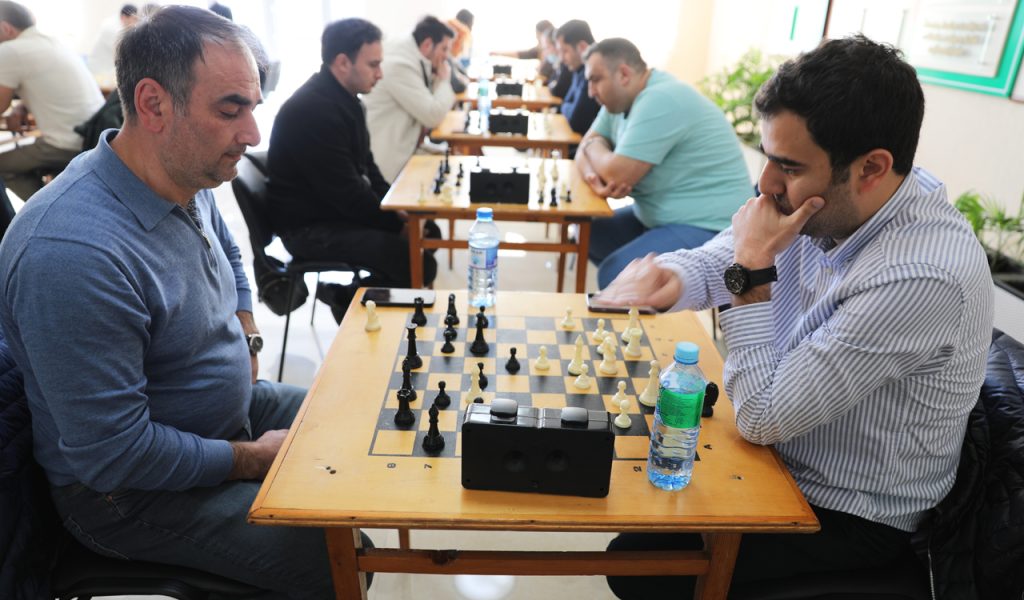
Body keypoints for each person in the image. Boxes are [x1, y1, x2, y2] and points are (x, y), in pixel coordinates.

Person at [595, 35, 993, 599]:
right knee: (628, 481)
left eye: (787, 166)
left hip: (850, 508)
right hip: (782, 448)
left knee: (642, 566)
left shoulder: (920, 276)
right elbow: (727, 252)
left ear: (872, 167)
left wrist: (751, 273)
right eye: (767, 156)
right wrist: (672, 277)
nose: (766, 184)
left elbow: (760, 417)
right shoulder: (838, 202)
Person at [0, 7, 372, 597]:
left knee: (364, 424)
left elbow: (229, 250)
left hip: (224, 415)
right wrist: (252, 458)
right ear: (153, 104)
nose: (252, 134)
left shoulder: (179, 172)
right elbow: (116, 456)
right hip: (129, 494)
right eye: (230, 109)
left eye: (253, 107)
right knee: (341, 552)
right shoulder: (71, 254)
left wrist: (248, 333)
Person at [267, 18, 437, 322]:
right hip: (307, 229)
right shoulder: (314, 110)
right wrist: (395, 223)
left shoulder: (346, 101)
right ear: (343, 62)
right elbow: (346, 194)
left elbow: (368, 168)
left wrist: (396, 206)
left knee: (427, 233)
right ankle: (349, 302)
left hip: (330, 213)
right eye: (373, 65)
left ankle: (349, 296)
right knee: (415, 261)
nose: (380, 73)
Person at [577, 38, 751, 288]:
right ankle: (655, 301)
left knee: (616, 274)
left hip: (712, 225)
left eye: (595, 80)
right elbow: (582, 151)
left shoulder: (660, 99)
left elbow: (615, 173)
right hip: (658, 216)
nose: (590, 91)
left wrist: (592, 146)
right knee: (591, 235)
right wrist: (593, 171)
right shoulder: (616, 103)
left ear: (623, 74)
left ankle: (657, 301)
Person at [0, 1, 104, 200]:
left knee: (3, 165)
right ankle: (54, 203)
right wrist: (21, 107)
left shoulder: (11, 50)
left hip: (65, 144)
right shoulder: (52, 42)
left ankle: (46, 208)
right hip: (92, 134)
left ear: (6, 28)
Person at [363, 16, 455, 182]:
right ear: (427, 44)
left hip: (402, 149)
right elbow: (432, 115)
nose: (446, 56)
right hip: (388, 161)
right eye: (444, 49)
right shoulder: (400, 64)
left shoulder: (412, 55)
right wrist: (444, 80)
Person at [553, 20, 600, 138]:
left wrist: (566, 106)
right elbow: (566, 102)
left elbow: (576, 121)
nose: (561, 58)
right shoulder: (578, 70)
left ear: (582, 47)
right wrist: (567, 106)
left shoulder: (592, 75)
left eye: (565, 51)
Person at [86, 3, 139, 85]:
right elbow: (124, 53)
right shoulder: (112, 29)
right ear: (124, 17)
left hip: (104, 71)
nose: (136, 23)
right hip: (98, 73)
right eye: (134, 19)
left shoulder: (117, 27)